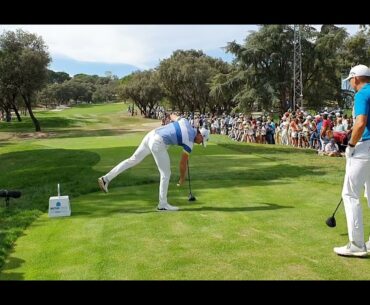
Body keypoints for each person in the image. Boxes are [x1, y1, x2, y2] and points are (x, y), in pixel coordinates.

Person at [98, 113, 210, 211]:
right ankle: (162, 204)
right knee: (166, 174)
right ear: (200, 135)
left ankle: (106, 179)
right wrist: (182, 178)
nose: (200, 143)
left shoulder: (184, 121)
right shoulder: (190, 142)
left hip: (151, 135)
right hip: (158, 142)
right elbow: (182, 163)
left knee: (132, 160)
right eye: (201, 141)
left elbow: (171, 115)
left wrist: (167, 126)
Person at [334, 64, 370, 257]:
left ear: (356, 78)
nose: (351, 84)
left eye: (351, 80)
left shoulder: (362, 93)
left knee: (350, 194)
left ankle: (356, 244)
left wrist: (351, 145)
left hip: (364, 147)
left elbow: (361, 122)